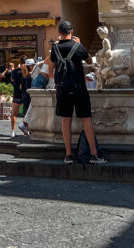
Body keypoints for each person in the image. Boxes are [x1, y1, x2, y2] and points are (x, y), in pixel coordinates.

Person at [48, 20, 105, 165]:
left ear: (60, 33)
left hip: (63, 89)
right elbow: (90, 60)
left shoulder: (55, 48)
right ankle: (94, 153)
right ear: (71, 32)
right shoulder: (77, 46)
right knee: (86, 120)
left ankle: (68, 155)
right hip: (79, 87)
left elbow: (50, 68)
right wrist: (80, 44)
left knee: (66, 121)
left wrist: (57, 80)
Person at [10, 61, 31, 137]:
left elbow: (12, 79)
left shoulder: (15, 71)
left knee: (14, 114)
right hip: (25, 95)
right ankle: (26, 132)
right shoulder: (27, 72)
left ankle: (12, 131)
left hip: (16, 94)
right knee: (26, 114)